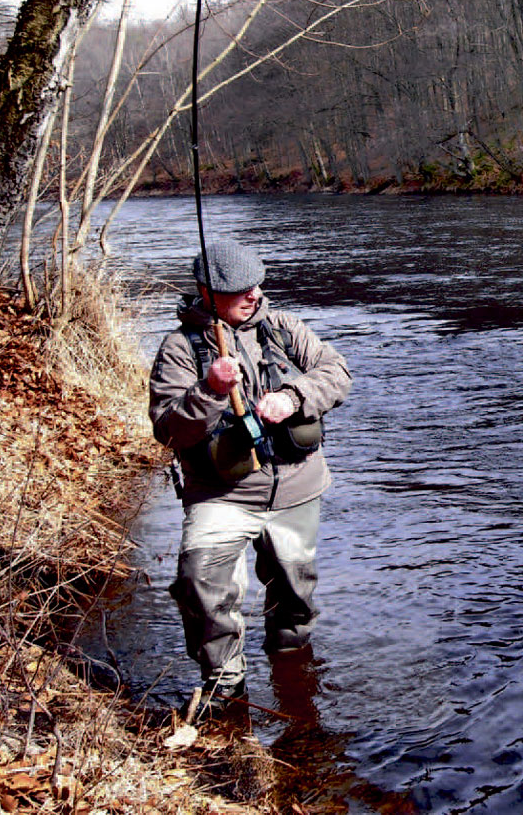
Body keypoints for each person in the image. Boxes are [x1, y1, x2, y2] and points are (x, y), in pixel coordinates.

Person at [149, 238, 351, 700]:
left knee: (295, 598)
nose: (254, 295)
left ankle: (293, 679)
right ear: (207, 293)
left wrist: (293, 397)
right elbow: (169, 429)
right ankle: (225, 690)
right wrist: (210, 390)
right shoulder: (179, 347)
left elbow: (337, 372)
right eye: (241, 289)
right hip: (220, 494)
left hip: (297, 488)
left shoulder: (282, 328)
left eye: (256, 285)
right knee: (201, 587)